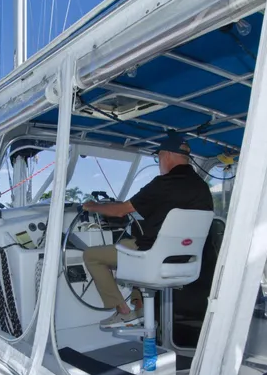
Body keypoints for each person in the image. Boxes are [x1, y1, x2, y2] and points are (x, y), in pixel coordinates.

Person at [82, 132, 214, 328]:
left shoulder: (164, 183)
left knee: (92, 256)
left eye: (158, 156)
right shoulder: (202, 187)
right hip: (186, 261)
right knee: (131, 246)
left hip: (152, 258)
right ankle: (139, 305)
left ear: (166, 155)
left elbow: (120, 212)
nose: (159, 161)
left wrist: (92, 206)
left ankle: (123, 312)